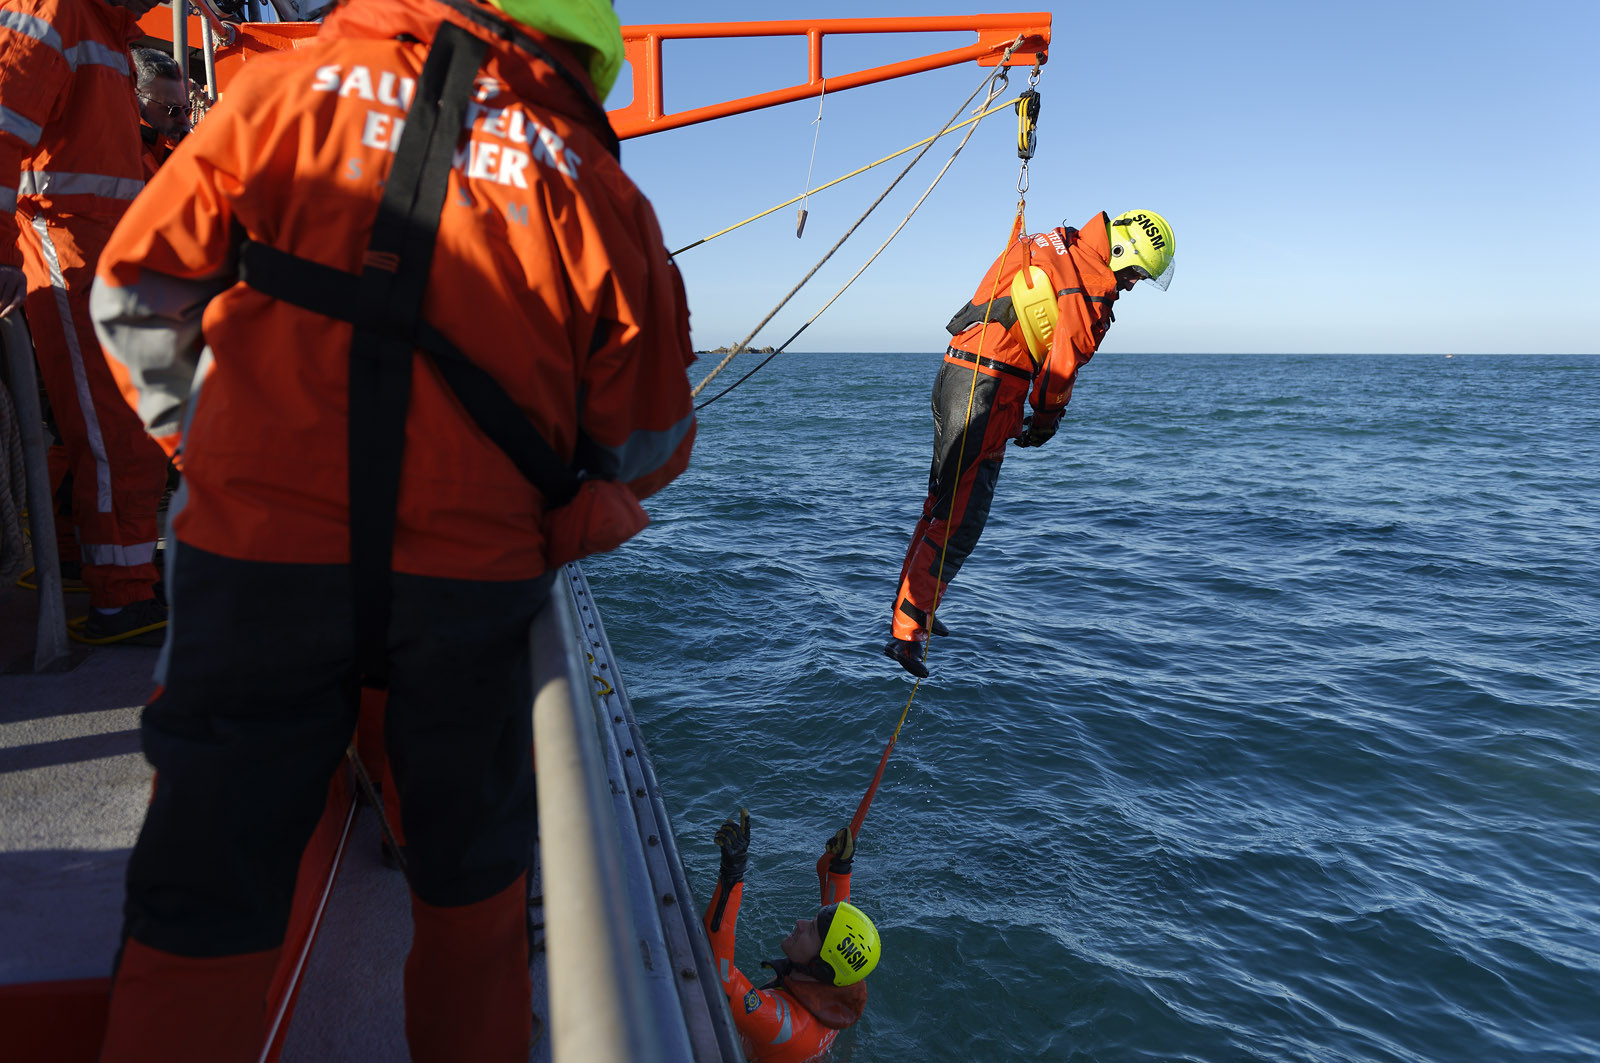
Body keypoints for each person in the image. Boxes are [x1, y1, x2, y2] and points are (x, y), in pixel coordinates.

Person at [90, 0, 695, 1058]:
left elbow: (134, 293)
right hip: (471, 591)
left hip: (254, 562)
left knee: (201, 894)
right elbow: (649, 438)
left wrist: (220, 455)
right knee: (474, 898)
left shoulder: (273, 95)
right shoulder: (596, 189)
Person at [884, 210, 1176, 678]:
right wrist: (1044, 424)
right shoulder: (1090, 287)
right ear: (1121, 252)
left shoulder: (1054, 242)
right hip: (990, 389)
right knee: (961, 520)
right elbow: (1059, 372)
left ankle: (914, 605)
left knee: (941, 504)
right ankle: (907, 633)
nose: (1133, 284)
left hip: (954, 373)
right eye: (1136, 273)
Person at [0, 0, 172, 642]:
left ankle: (97, 563)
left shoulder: (102, 27)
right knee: (114, 429)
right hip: (66, 245)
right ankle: (120, 596)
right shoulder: (58, 10)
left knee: (105, 427)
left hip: (96, 250)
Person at [704, 810, 881, 1063]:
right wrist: (840, 868)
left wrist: (732, 876)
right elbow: (833, 930)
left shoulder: (785, 1025)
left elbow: (718, 980)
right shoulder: (841, 980)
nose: (800, 923)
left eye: (810, 929)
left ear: (818, 967)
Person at [130, 46, 191, 176]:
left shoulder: (187, 159)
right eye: (173, 110)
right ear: (136, 104)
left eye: (186, 110)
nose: (184, 120)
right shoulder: (120, 160)